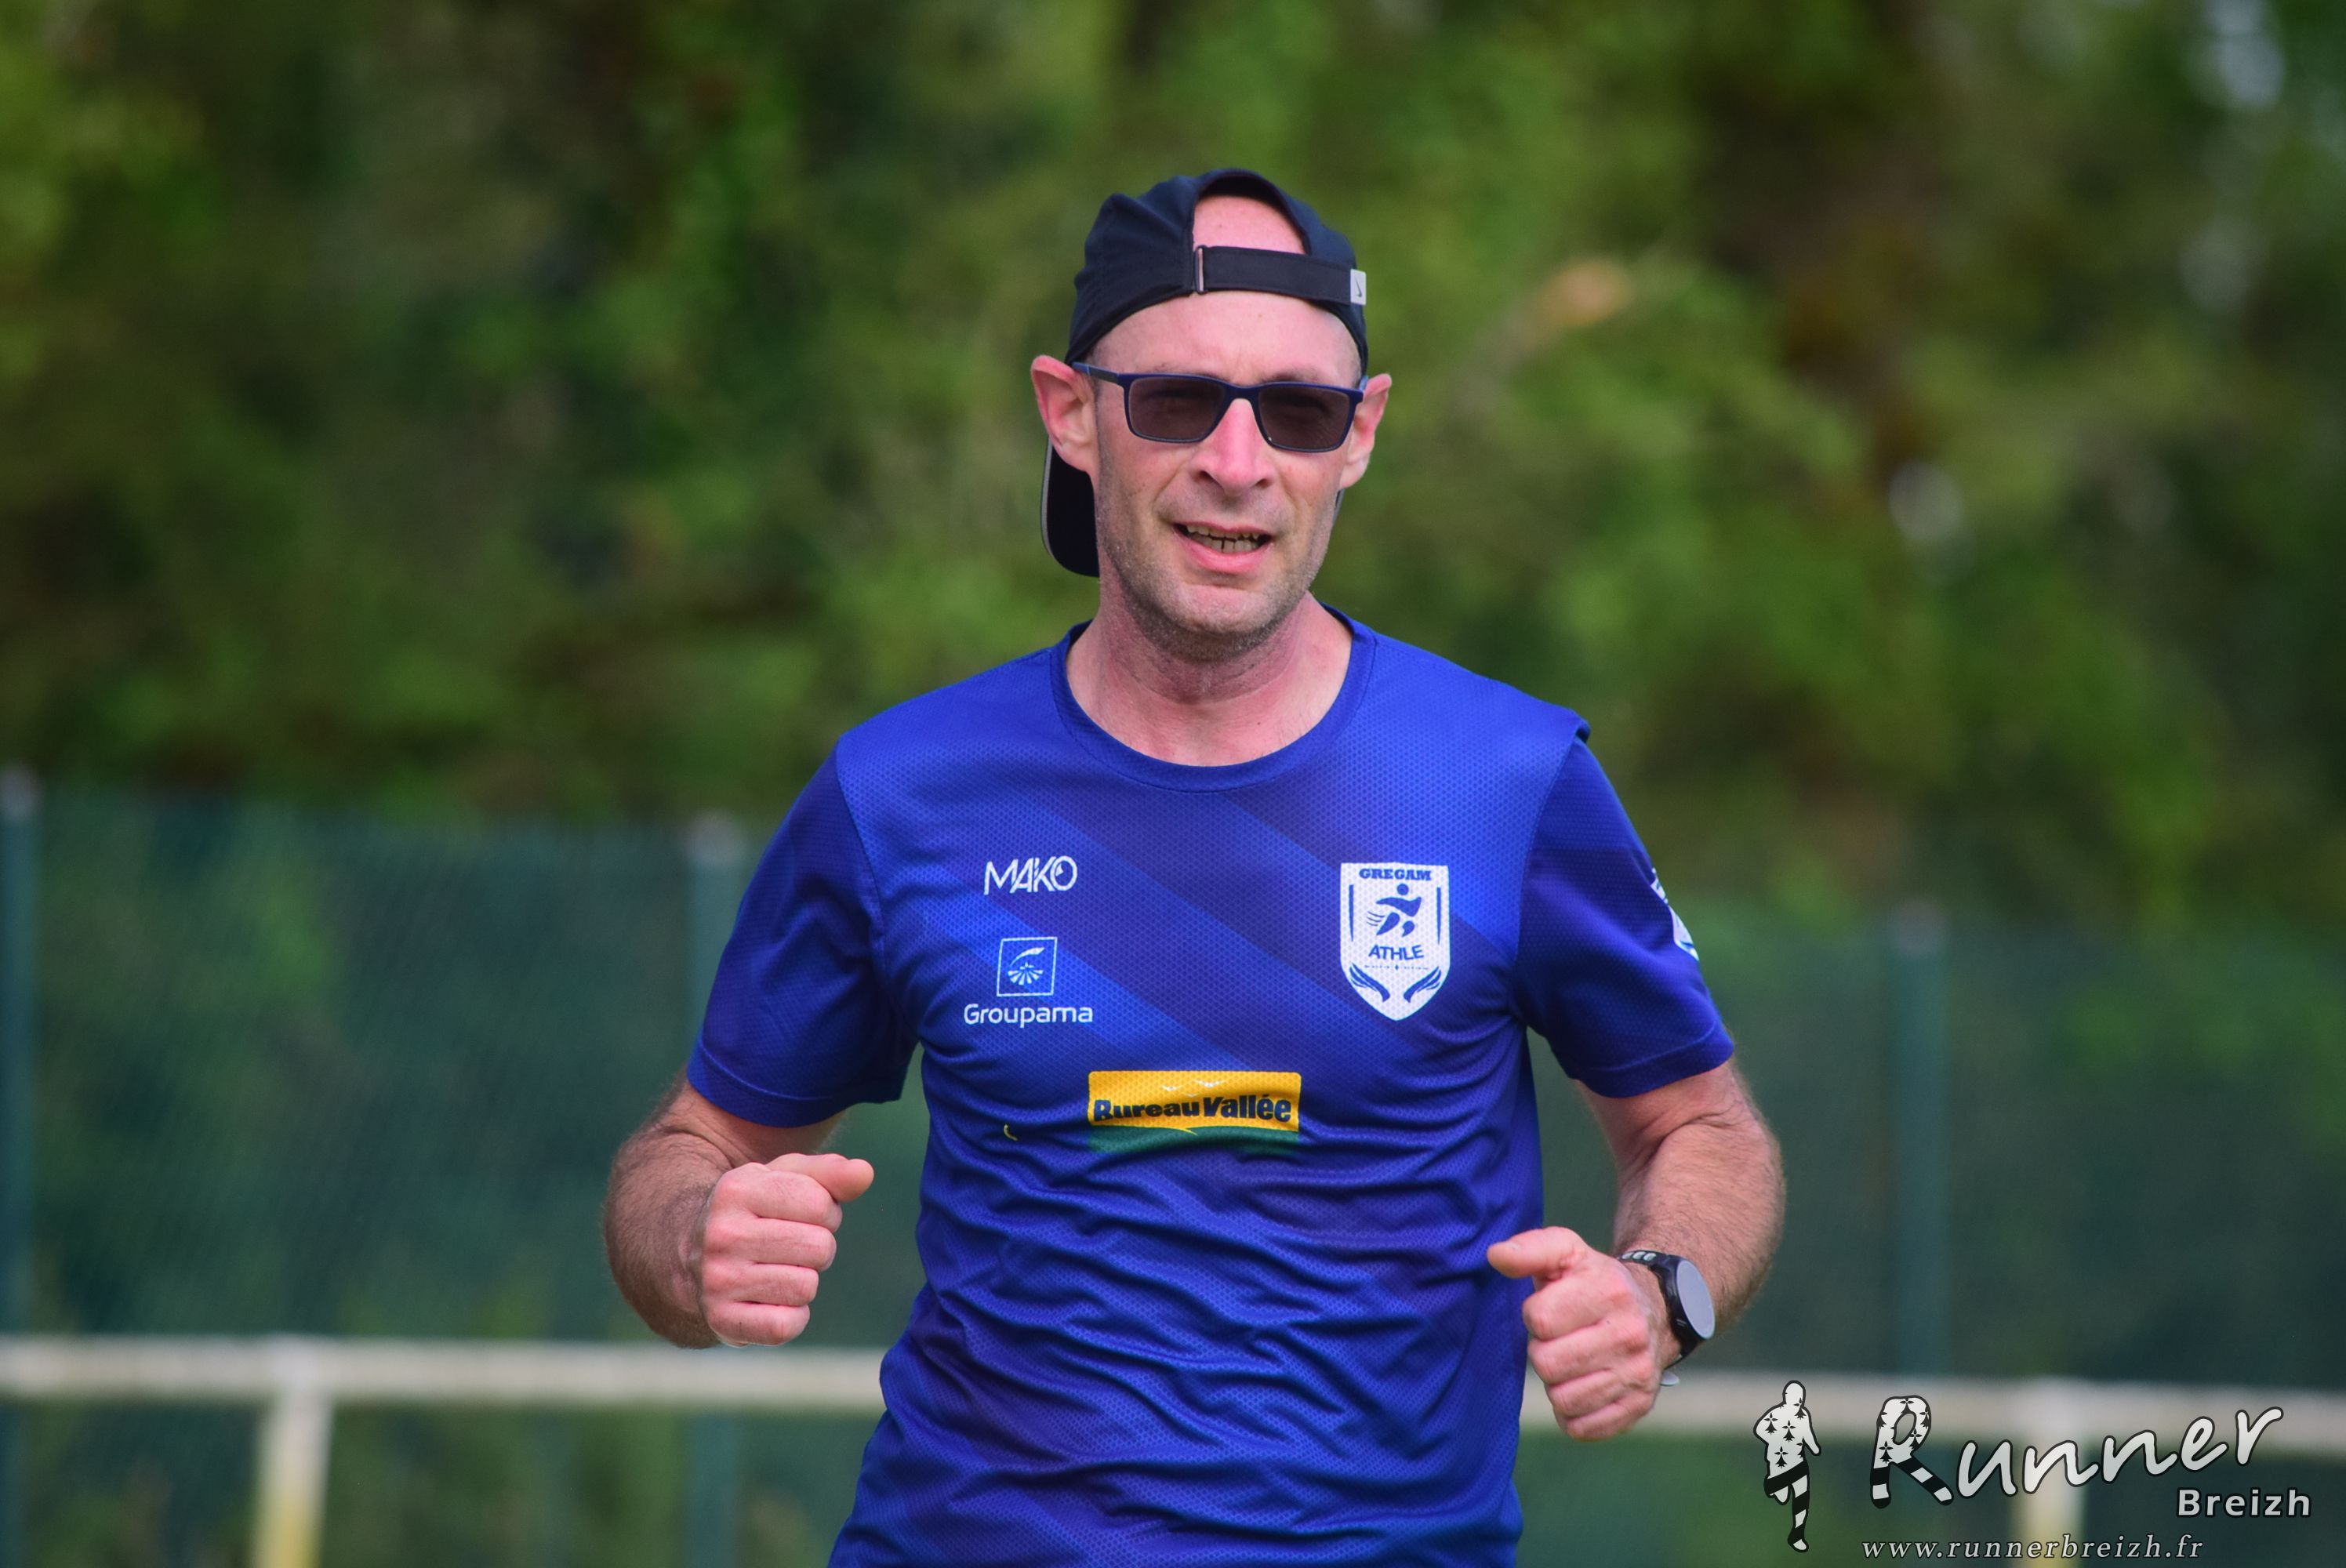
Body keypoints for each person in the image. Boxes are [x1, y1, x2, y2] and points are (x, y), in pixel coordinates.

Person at [605, 167, 1786, 1566]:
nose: (1239, 460)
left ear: (1360, 434)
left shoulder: (1507, 780)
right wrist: (694, 1240)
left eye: (1298, 410)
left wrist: (1658, 1297)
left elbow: (1704, 1132)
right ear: (1070, 413)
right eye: (1177, 400)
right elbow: (690, 1152)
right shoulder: (900, 791)